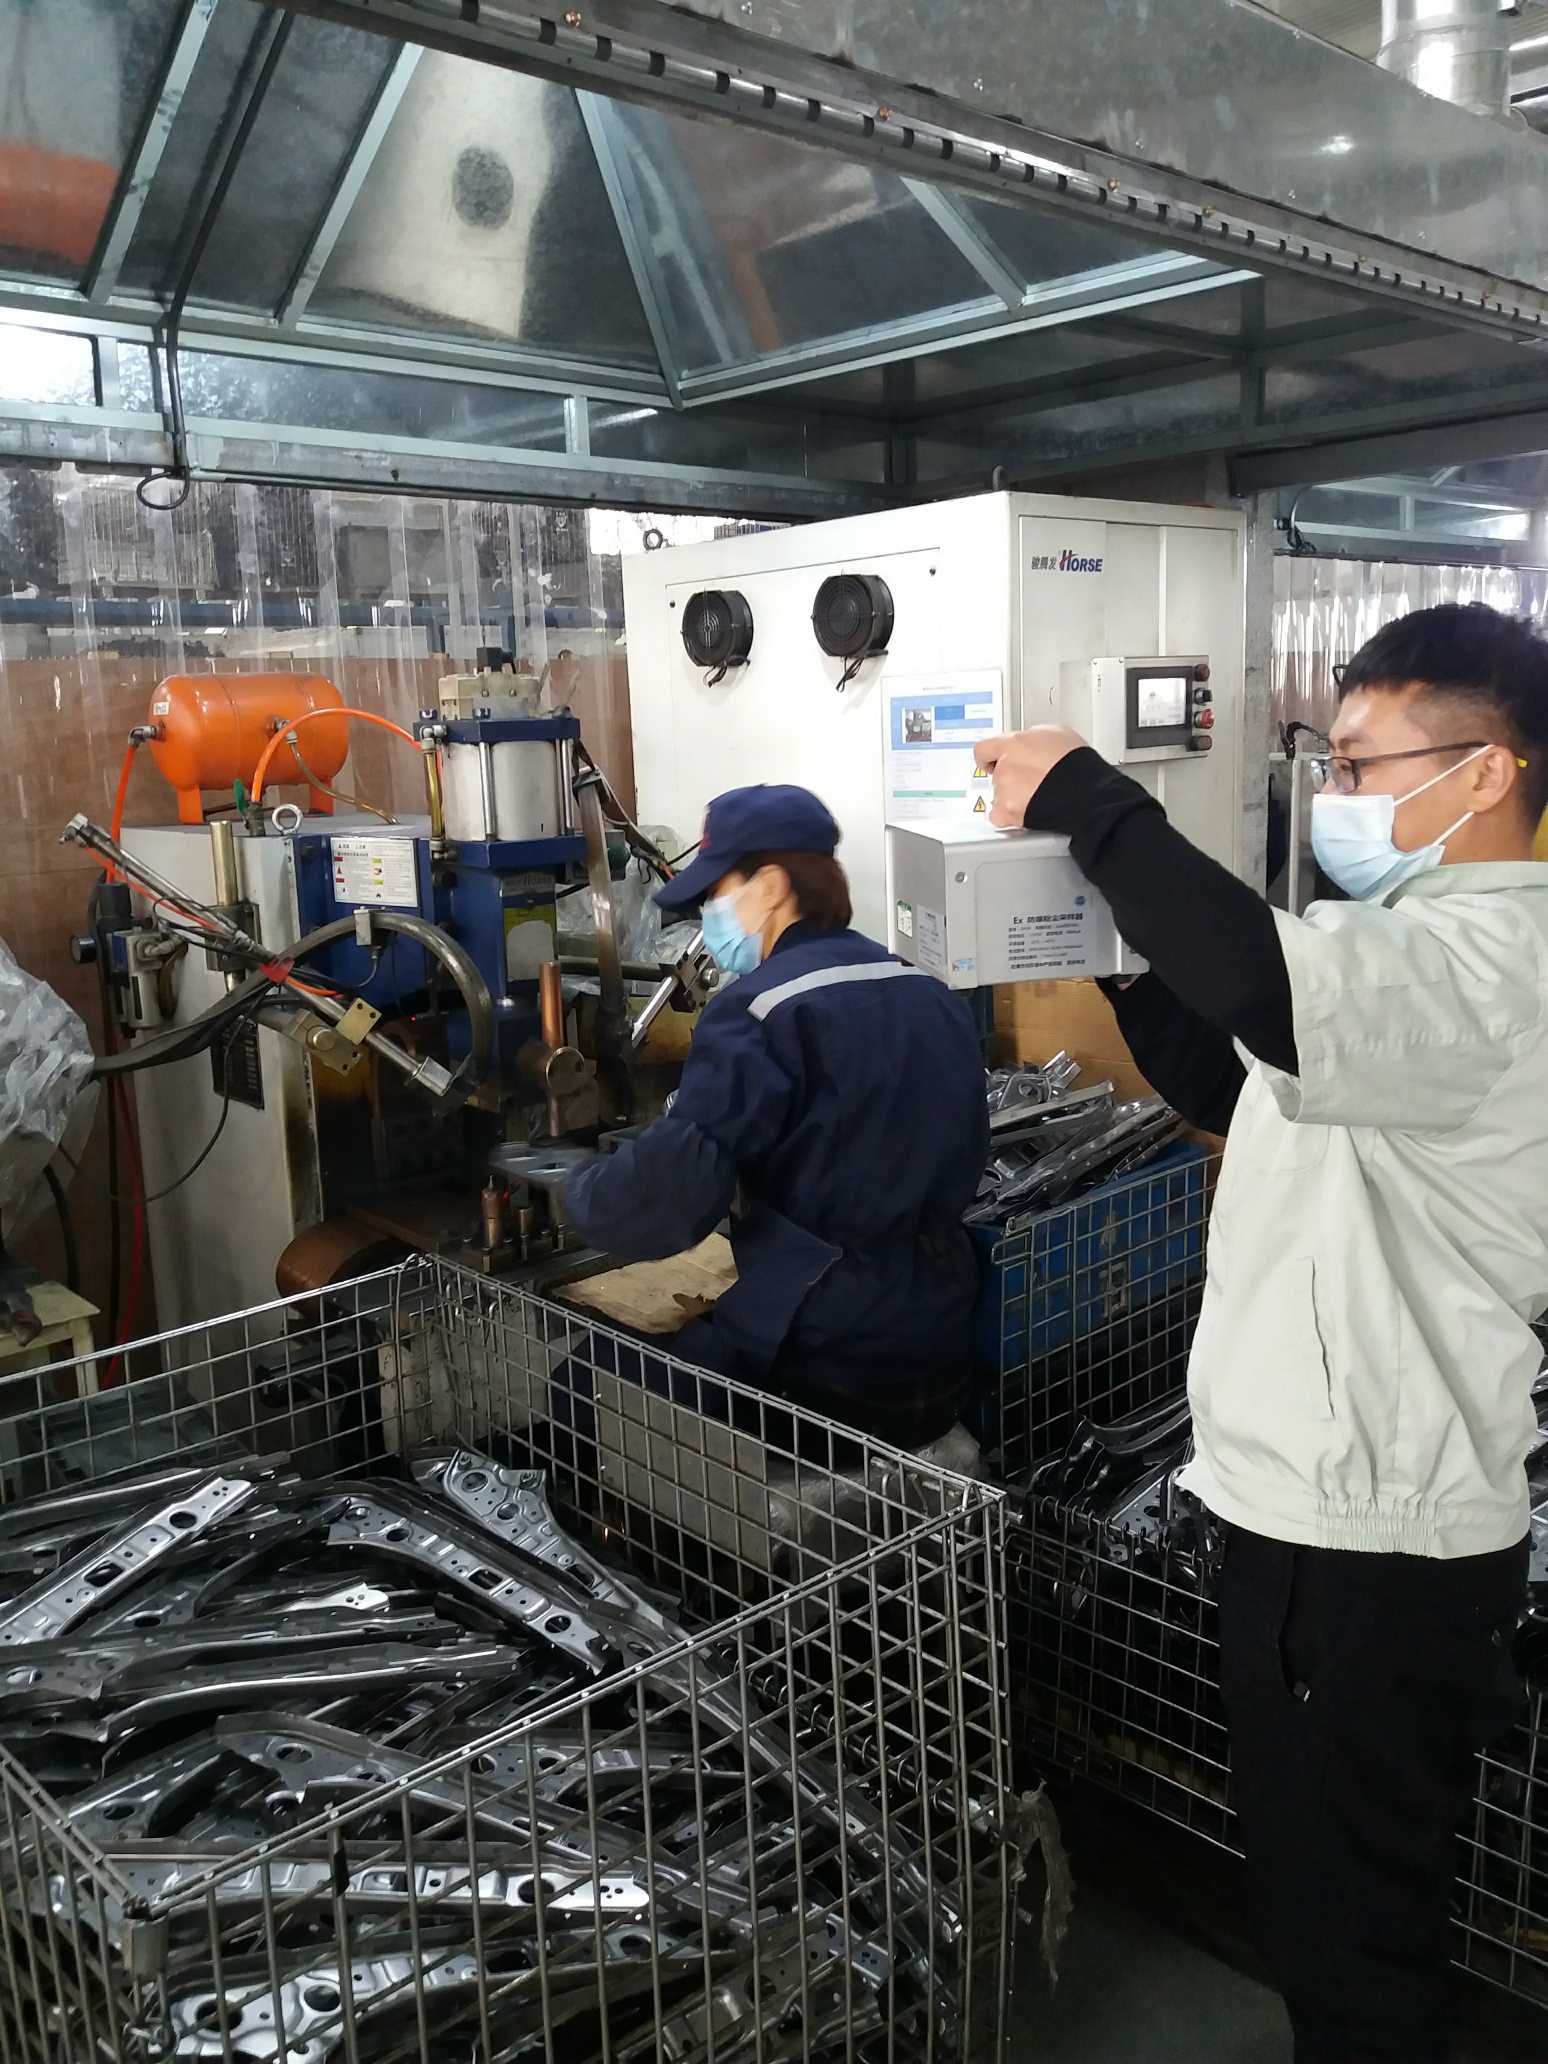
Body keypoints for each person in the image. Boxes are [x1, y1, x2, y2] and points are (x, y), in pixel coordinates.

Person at [979, 601, 1548, 2064]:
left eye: (1359, 765)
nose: (1335, 795)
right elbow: (1239, 1078)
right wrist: (1114, 951)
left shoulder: (1493, 963)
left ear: (1489, 771)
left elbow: (1260, 982)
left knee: (1349, 1938)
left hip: (1365, 1545)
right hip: (1339, 1525)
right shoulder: (1410, 959)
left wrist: (1090, 799)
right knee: (1340, 1900)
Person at [562, 783, 988, 1450]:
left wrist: (578, 1189)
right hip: (941, 1344)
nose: (710, 914)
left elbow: (669, 1202)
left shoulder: (758, 1012)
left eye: (716, 892)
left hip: (823, 1360)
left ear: (769, 886)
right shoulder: (928, 991)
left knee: (587, 1376)